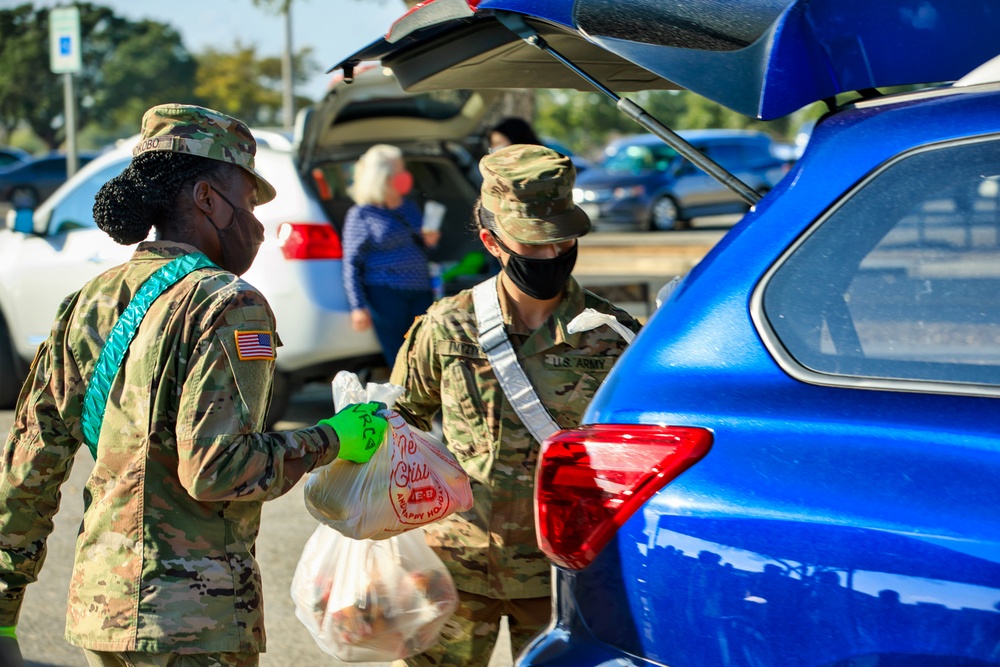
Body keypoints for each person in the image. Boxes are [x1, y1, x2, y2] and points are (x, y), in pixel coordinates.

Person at [0, 103, 388, 667]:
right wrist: (333, 437)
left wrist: (4, 609)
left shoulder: (92, 299)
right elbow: (217, 469)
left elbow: (30, 463)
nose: (256, 225)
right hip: (193, 624)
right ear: (208, 198)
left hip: (102, 611)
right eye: (250, 203)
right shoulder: (228, 303)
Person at [388, 144, 642, 667]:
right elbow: (399, 423)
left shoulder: (612, 336)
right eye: (534, 243)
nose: (551, 256)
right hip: (454, 568)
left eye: (563, 240)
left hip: (562, 580)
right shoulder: (447, 326)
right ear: (491, 240)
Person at [343, 144, 439, 367]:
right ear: (383, 176)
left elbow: (422, 248)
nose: (405, 176)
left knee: (425, 352)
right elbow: (351, 263)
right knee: (399, 357)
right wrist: (357, 306)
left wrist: (430, 241)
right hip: (385, 293)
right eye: (400, 171)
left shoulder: (409, 207)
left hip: (420, 290)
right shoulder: (361, 214)